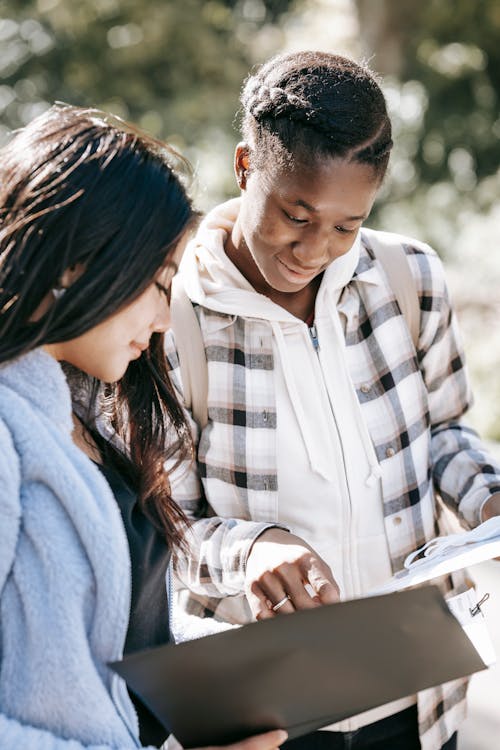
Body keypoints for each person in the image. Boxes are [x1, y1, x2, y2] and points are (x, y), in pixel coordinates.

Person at [167, 51, 500, 750]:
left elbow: (443, 434)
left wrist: (488, 501)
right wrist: (252, 550)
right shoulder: (171, 318)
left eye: (346, 225)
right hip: (265, 709)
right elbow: (162, 523)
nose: (315, 248)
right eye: (296, 214)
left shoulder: (411, 278)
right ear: (244, 167)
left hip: (415, 684)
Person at [0, 104, 288, 750]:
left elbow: (110, 649)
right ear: (77, 263)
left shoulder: (87, 416)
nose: (165, 318)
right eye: (158, 284)